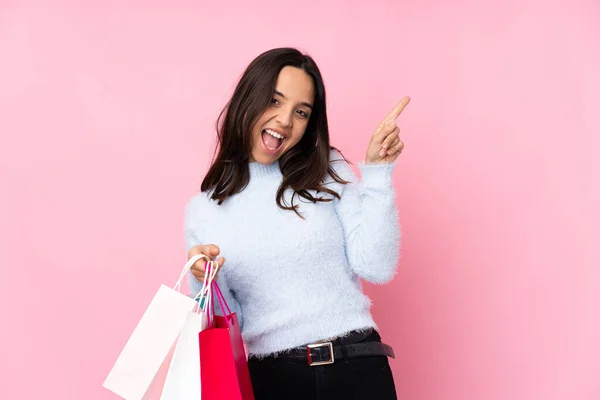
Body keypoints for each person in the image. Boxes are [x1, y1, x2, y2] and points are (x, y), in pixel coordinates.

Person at [184, 47, 409, 400]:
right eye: (274, 101)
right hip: (275, 381)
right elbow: (231, 325)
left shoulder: (327, 169)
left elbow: (376, 267)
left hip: (358, 368)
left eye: (300, 112)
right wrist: (203, 282)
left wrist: (378, 174)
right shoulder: (205, 210)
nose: (285, 120)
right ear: (248, 99)